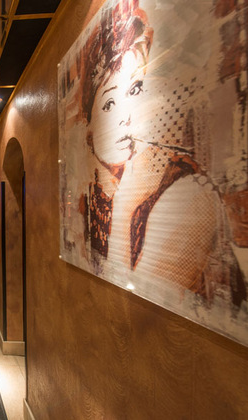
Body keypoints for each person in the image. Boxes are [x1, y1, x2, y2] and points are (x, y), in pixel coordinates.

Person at [76, 0, 246, 308]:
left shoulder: (189, 193)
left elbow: (129, 311)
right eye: (110, 104)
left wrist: (127, 201)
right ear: (89, 129)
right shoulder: (95, 196)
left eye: (135, 90)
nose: (126, 117)